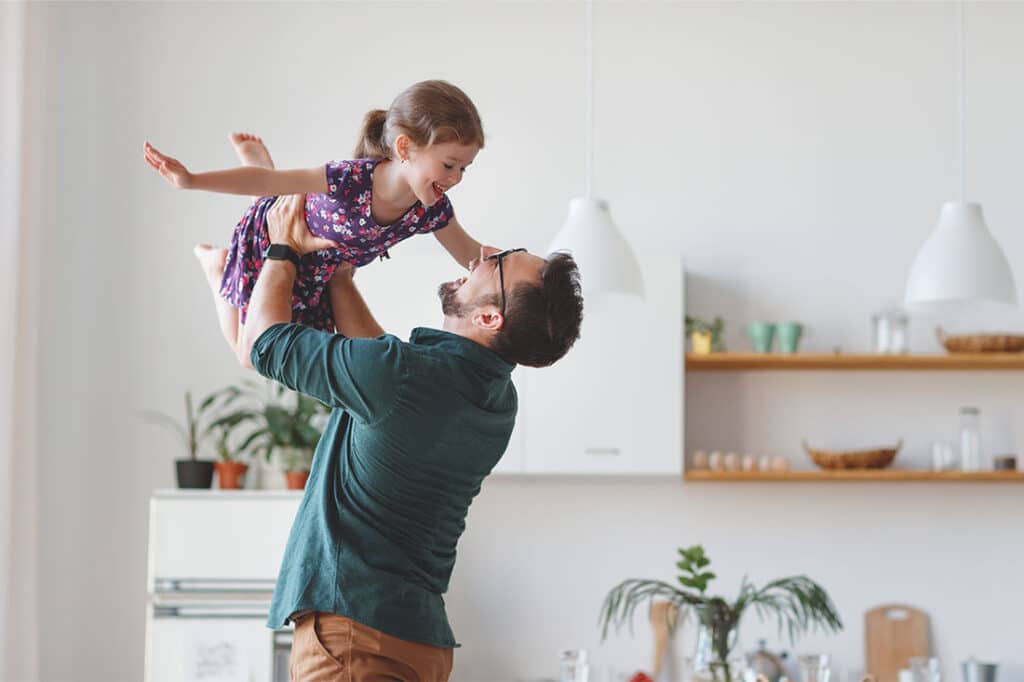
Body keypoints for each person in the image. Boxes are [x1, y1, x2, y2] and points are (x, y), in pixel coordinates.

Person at [241, 192, 583, 680]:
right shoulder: (496, 400)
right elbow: (382, 376)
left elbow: (263, 342)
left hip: (354, 640)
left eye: (500, 262)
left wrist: (282, 248)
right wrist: (339, 277)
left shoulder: (402, 376)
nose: (485, 254)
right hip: (417, 643)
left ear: (489, 317)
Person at [143, 80, 487, 365]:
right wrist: (191, 180)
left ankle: (264, 170)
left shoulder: (431, 211)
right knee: (249, 356)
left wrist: (535, 270)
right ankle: (217, 266)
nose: (456, 178)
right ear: (405, 148)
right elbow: (265, 183)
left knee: (288, 354)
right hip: (271, 241)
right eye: (448, 165)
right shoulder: (350, 179)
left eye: (464, 168)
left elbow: (474, 254)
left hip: (316, 273)